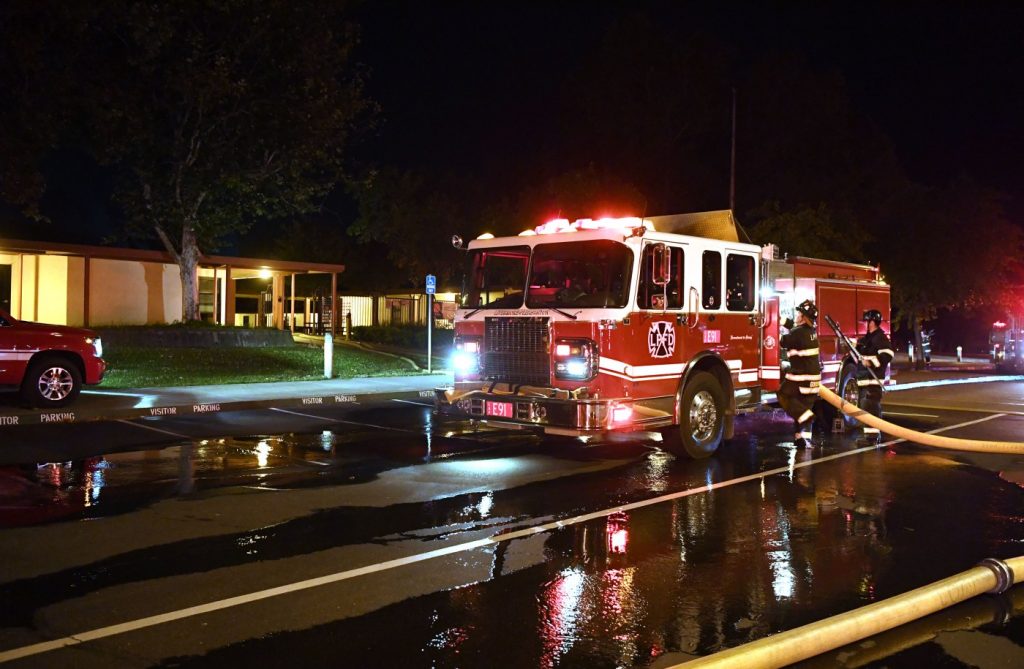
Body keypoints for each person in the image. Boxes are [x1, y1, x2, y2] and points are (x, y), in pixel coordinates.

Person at [778, 299, 822, 448]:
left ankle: (808, 418)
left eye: (799, 313)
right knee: (800, 407)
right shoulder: (810, 331)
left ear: (803, 317)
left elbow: (781, 341)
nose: (796, 315)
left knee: (783, 394)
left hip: (802, 379)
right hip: (813, 381)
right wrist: (778, 319)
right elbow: (793, 327)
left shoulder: (797, 334)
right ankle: (800, 439)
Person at [854, 309, 895, 444]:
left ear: (872, 322)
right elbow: (861, 348)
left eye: (866, 321)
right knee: (866, 408)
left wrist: (871, 362)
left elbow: (888, 355)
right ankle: (869, 437)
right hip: (865, 380)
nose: (865, 324)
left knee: (871, 407)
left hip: (873, 380)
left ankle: (872, 438)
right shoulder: (868, 338)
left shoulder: (880, 338)